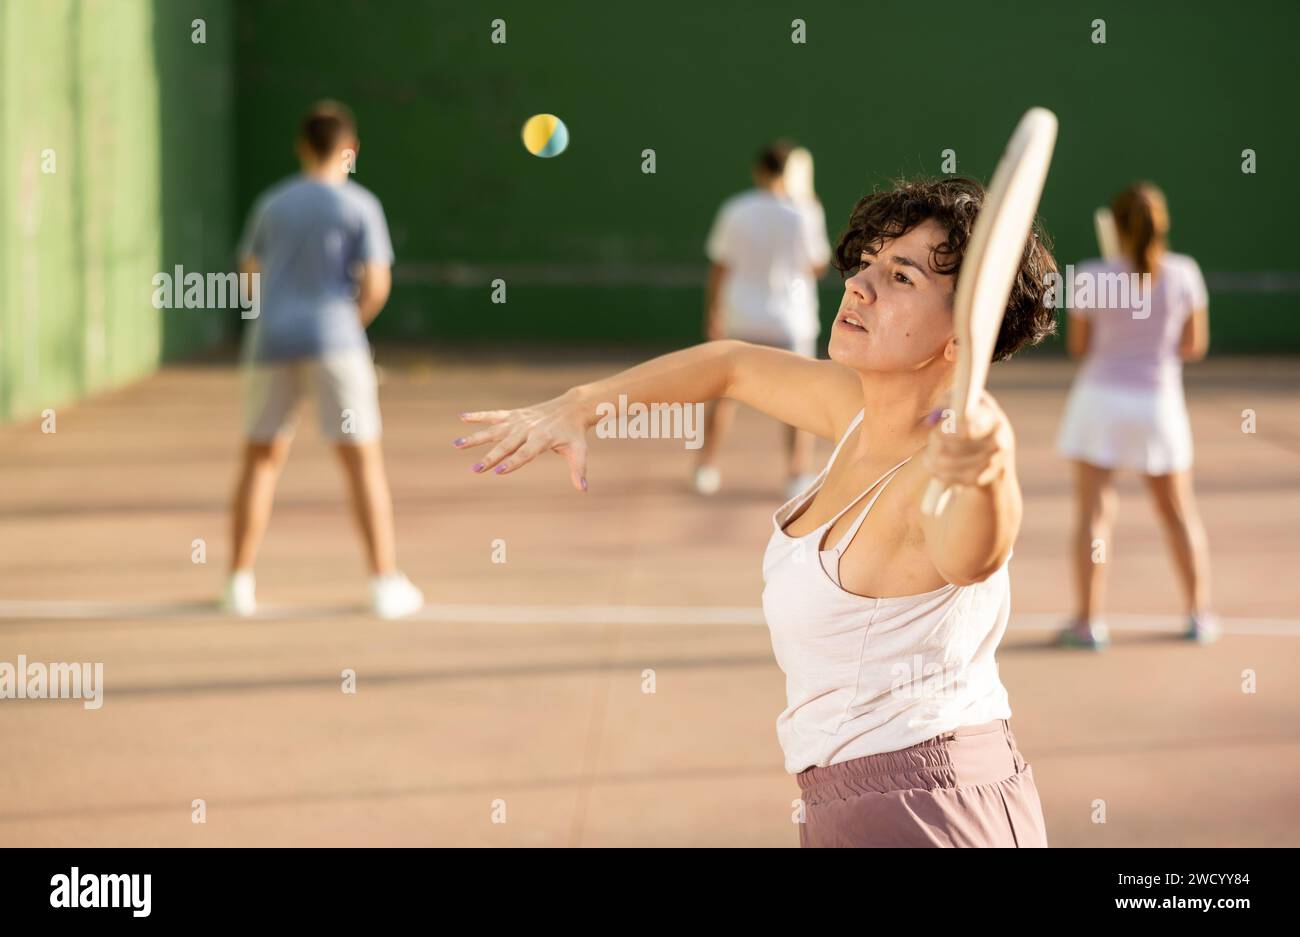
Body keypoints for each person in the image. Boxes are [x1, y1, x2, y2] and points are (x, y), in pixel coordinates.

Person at [453, 177, 1053, 847]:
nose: (859, 285)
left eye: (901, 277)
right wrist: (578, 404)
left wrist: (991, 470)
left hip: (929, 812)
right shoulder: (859, 413)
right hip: (855, 801)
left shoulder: (940, 472)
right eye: (870, 263)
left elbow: (977, 549)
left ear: (959, 337)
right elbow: (732, 366)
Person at [222, 100, 423, 620]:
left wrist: (277, 314)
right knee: (361, 461)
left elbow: (249, 275)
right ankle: (384, 585)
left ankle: (238, 585)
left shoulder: (271, 203)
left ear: (301, 147)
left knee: (261, 457)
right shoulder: (360, 205)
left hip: (270, 341)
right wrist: (345, 324)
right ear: (349, 151)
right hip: (337, 343)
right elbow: (376, 285)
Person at [1055, 182, 1215, 649]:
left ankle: (1088, 623)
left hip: (1099, 404)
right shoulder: (1185, 273)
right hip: (1158, 407)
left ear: (1117, 224)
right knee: (1178, 513)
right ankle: (1199, 615)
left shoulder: (1089, 276)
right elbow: (1193, 346)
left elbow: (1079, 347)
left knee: (1093, 515)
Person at [695, 140, 832, 499]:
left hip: (741, 318)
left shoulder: (735, 209)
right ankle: (797, 475)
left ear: (759, 171)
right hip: (791, 322)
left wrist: (713, 314)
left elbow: (719, 267)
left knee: (723, 394)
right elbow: (818, 266)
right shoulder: (806, 212)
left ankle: (705, 468)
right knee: (799, 400)